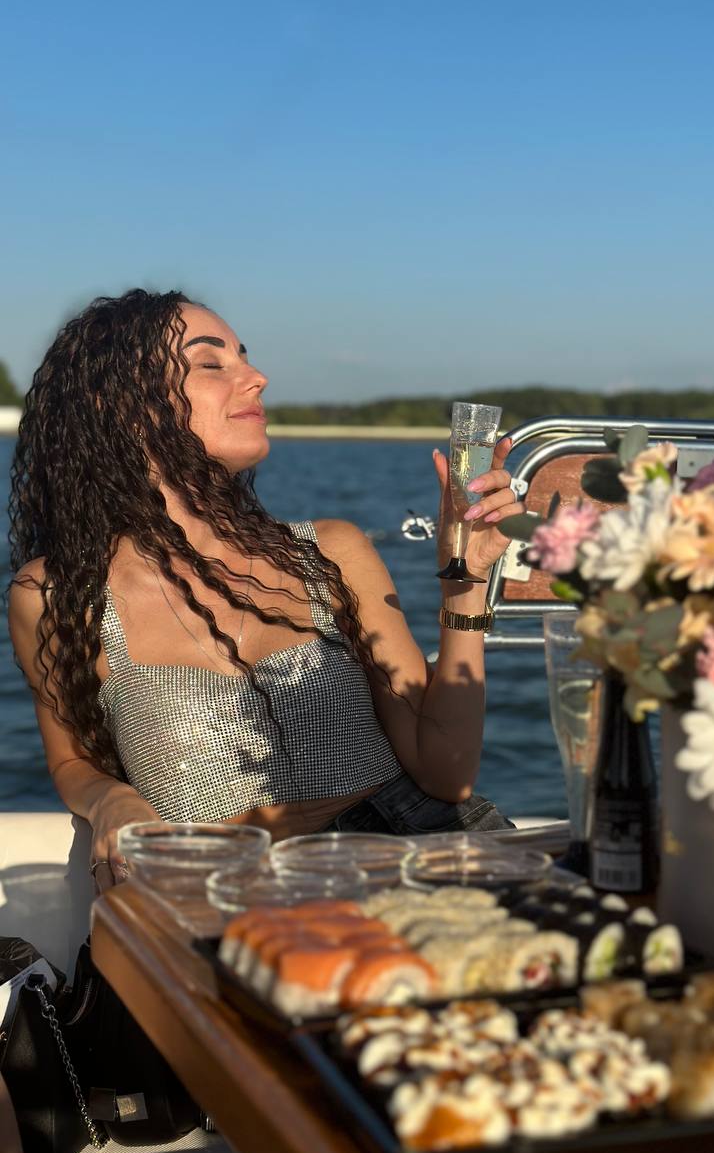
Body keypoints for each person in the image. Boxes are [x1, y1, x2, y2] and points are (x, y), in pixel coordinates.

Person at [7, 290, 525, 891]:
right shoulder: (56, 594)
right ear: (122, 404)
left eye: (245, 357)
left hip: (421, 857)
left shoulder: (330, 552)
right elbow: (71, 759)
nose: (258, 378)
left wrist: (466, 582)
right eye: (211, 363)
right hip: (229, 891)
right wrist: (109, 799)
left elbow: (447, 774)